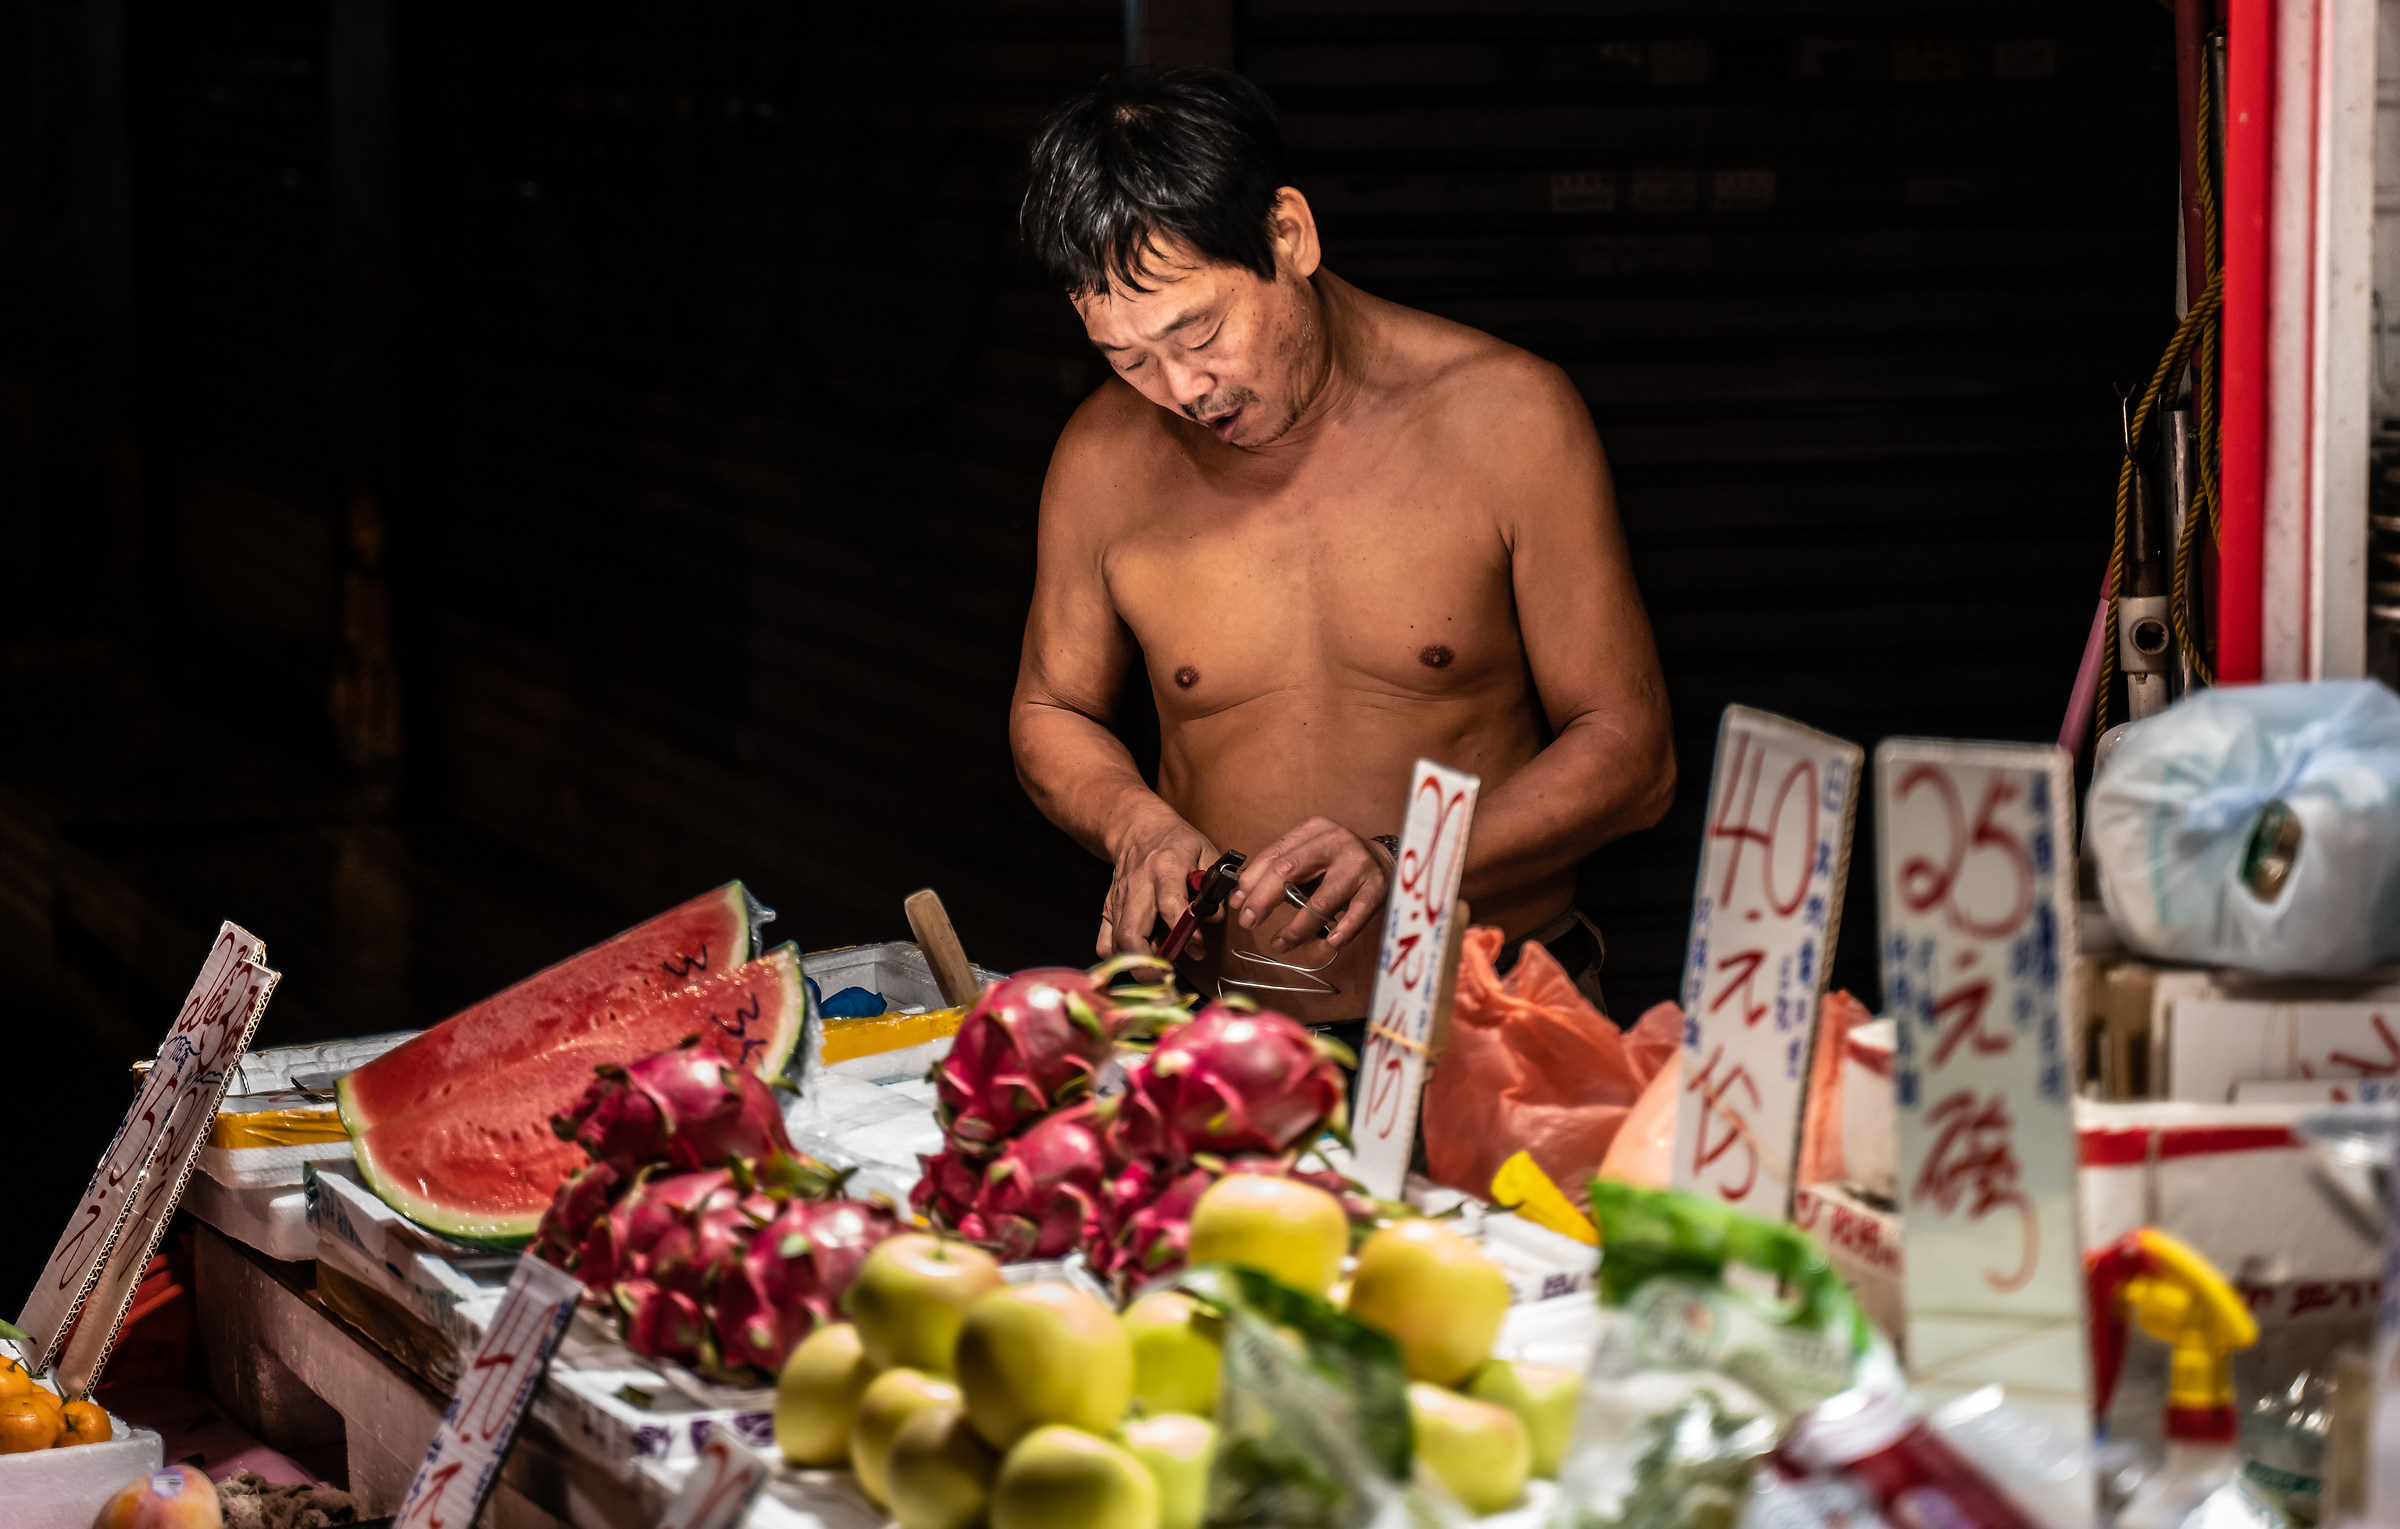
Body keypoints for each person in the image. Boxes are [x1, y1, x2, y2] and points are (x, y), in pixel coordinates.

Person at [1007, 67, 1673, 1035]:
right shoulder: (1103, 456)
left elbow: (1632, 753)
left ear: (1289, 234)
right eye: (1128, 356)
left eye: (1199, 330)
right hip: (1225, 1033)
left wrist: (1414, 857)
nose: (1184, 387)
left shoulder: (1511, 417)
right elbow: (1050, 707)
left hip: (1488, 1025)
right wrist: (1134, 820)